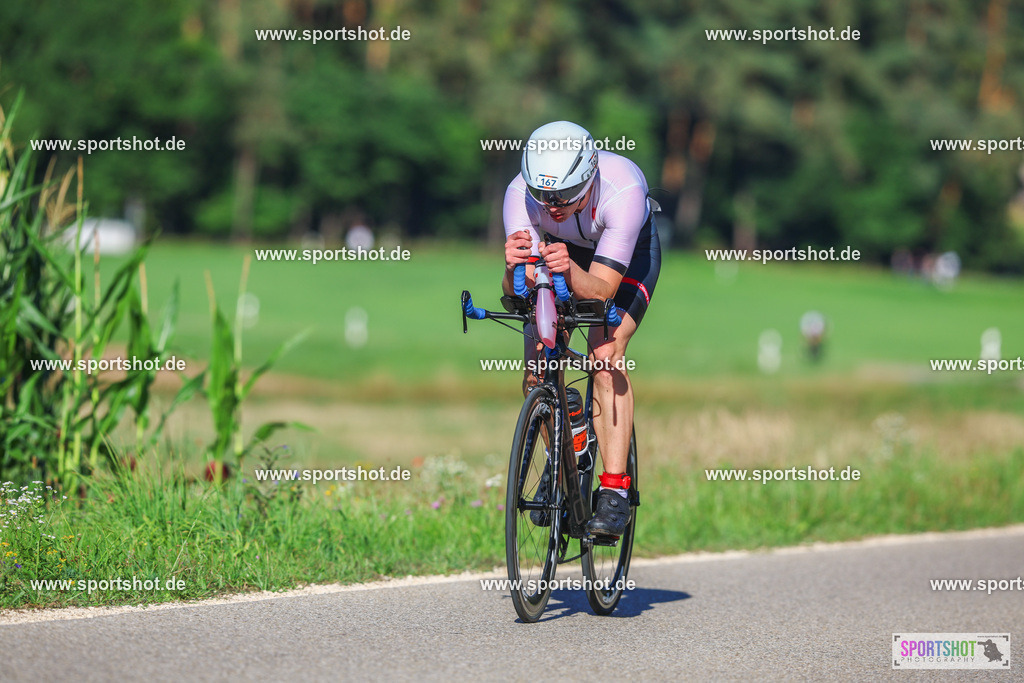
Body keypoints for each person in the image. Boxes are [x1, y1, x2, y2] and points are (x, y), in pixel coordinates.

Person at [501, 120, 661, 537]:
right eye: (544, 195)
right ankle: (567, 442)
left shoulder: (623, 190)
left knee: (604, 355)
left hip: (621, 258)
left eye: (566, 195)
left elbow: (602, 293)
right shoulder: (520, 193)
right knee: (539, 360)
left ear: (589, 177)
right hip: (563, 252)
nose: (552, 204)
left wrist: (570, 270)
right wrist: (512, 268)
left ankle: (613, 492)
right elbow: (517, 289)